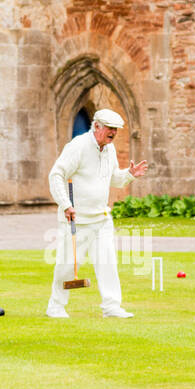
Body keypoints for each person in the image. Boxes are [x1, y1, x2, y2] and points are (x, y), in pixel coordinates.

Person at [46, 108, 149, 318]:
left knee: (108, 262)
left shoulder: (109, 150)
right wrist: (66, 205)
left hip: (101, 218)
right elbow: (56, 175)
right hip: (76, 218)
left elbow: (113, 179)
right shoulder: (78, 146)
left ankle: (111, 307)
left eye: (116, 130)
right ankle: (55, 306)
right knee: (67, 265)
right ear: (96, 126)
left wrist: (129, 174)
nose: (113, 133)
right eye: (109, 128)